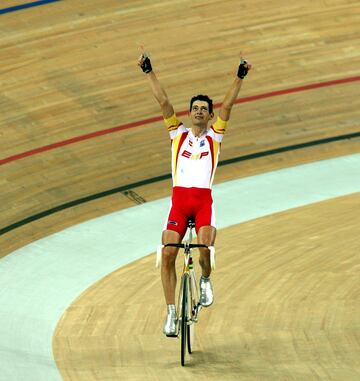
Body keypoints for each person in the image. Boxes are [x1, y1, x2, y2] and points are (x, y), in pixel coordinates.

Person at [138, 48, 251, 336]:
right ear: (190, 113)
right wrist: (148, 70)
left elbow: (229, 106)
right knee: (167, 254)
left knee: (204, 248)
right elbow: (162, 100)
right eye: (195, 108)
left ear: (210, 115)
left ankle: (205, 279)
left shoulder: (216, 136)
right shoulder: (177, 134)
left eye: (204, 108)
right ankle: (171, 312)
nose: (199, 111)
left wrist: (239, 76)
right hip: (179, 204)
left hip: (202, 204)